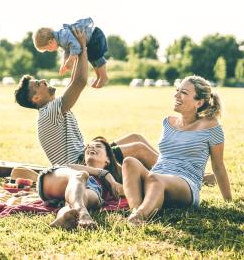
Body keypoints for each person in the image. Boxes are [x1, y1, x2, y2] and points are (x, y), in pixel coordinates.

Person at [14, 28, 159, 169]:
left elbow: (73, 81)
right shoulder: (49, 112)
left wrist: (75, 51)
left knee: (136, 138)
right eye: (39, 84)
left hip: (85, 157)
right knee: (139, 149)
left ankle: (169, 171)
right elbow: (80, 82)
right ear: (36, 98)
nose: (44, 80)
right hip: (82, 166)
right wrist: (83, 47)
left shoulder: (51, 109)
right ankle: (175, 180)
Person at [122, 75, 232, 226]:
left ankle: (140, 216)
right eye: (177, 90)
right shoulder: (167, 122)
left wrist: (228, 201)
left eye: (184, 93)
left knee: (155, 179)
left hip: (186, 183)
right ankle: (138, 211)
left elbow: (218, 166)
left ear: (199, 102)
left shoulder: (212, 127)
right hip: (157, 175)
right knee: (129, 162)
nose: (176, 95)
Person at [38, 137, 124, 229]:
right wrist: (102, 173)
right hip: (56, 181)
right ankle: (82, 211)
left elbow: (130, 190)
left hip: (89, 191)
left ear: (108, 159)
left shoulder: (108, 185)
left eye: (98, 146)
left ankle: (63, 218)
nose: (91, 148)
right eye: (89, 146)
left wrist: (113, 182)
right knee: (80, 175)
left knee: (84, 198)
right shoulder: (77, 168)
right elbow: (67, 167)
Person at [33, 17, 108, 88]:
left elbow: (76, 46)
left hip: (95, 36)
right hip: (90, 40)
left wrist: (71, 59)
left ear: (50, 42)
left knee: (97, 57)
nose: (49, 51)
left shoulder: (63, 36)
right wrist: (65, 62)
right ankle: (99, 76)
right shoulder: (61, 40)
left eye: (47, 49)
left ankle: (103, 77)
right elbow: (67, 51)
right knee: (92, 59)